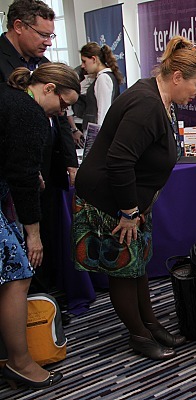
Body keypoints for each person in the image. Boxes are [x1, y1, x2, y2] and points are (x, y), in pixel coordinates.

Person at [72, 36, 196, 360]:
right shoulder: (146, 105)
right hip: (110, 201)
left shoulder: (161, 98)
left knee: (137, 267)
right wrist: (127, 212)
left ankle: (150, 324)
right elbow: (119, 161)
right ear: (177, 76)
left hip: (130, 202)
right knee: (124, 270)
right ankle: (138, 335)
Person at [0, 64, 80, 389]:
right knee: (18, 275)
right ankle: (20, 363)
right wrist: (33, 235)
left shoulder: (12, 98)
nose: (62, 113)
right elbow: (22, 181)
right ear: (48, 88)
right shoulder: (30, 113)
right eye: (62, 104)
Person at [0, 0, 79, 294]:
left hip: (45, 165)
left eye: (51, 35)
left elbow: (62, 121)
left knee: (44, 234)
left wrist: (70, 161)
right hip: (14, 170)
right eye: (43, 35)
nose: (48, 42)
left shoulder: (44, 65)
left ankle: (45, 298)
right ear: (19, 26)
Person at [78, 42, 123, 133]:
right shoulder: (101, 77)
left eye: (84, 61)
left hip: (97, 131)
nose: (82, 66)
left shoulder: (103, 78)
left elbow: (103, 110)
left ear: (94, 59)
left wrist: (100, 135)